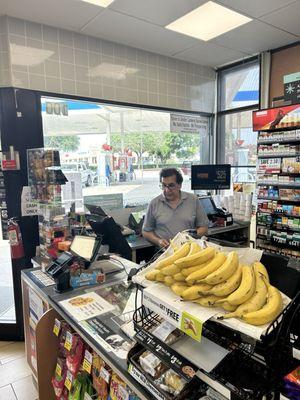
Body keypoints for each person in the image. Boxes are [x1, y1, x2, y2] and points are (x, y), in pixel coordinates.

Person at [142, 168, 209, 248]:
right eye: (163, 185)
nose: (166, 190)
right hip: (165, 252)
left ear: (179, 185)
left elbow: (204, 227)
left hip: (189, 250)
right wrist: (158, 241)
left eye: (171, 185)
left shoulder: (193, 200)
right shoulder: (154, 203)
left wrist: (190, 238)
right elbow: (146, 231)